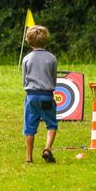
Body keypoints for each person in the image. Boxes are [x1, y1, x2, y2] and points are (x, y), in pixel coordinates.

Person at [21, 25, 58, 164]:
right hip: (47, 95)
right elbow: (53, 78)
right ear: (45, 40)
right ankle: (47, 148)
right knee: (51, 124)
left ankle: (29, 158)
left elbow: (24, 79)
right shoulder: (52, 58)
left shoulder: (26, 59)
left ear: (29, 41)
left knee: (29, 127)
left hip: (31, 96)